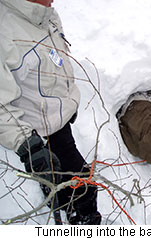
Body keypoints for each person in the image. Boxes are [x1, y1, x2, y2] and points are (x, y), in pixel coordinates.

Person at [0, 0, 101, 224]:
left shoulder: (47, 15)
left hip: (59, 127)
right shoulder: (4, 29)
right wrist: (30, 147)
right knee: (58, 202)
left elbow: (57, 66)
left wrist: (68, 102)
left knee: (85, 191)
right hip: (30, 136)